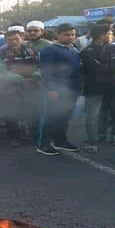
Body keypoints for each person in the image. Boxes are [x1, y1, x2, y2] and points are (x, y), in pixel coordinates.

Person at [79, 25, 115, 153]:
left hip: (114, 87)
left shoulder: (114, 48)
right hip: (94, 89)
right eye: (109, 34)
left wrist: (107, 67)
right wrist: (112, 67)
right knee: (92, 117)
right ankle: (92, 142)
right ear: (101, 35)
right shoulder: (87, 51)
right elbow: (92, 69)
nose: (112, 36)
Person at [36, 23, 82, 156]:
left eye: (72, 34)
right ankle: (43, 144)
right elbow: (46, 71)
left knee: (64, 117)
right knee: (52, 117)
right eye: (66, 35)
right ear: (58, 35)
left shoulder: (73, 49)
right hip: (57, 90)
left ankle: (60, 141)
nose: (70, 37)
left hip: (72, 89)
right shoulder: (50, 50)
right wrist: (51, 89)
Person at [0, 30, 40, 147]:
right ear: (6, 40)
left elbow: (40, 66)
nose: (13, 42)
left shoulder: (31, 50)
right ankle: (14, 137)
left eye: (16, 39)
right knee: (11, 113)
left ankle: (33, 135)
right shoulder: (1, 52)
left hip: (31, 85)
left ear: (22, 37)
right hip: (10, 88)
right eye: (10, 40)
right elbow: (1, 73)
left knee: (32, 111)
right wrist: (21, 80)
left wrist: (36, 76)